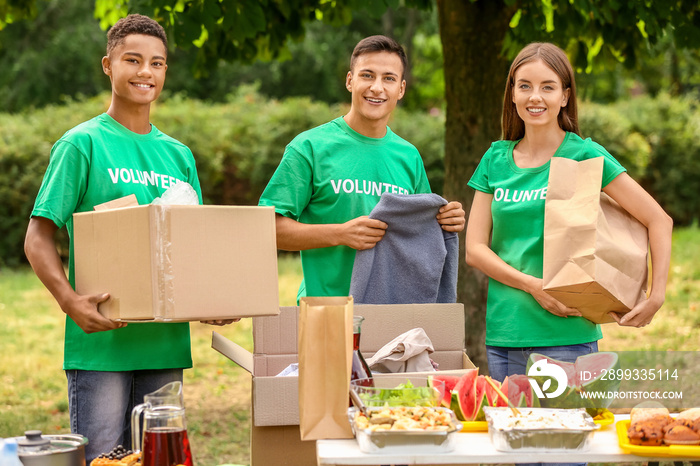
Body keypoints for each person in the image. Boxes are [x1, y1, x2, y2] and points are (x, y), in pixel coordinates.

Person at [23, 14, 231, 463]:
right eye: (132, 60)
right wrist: (69, 300)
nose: (145, 72)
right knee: (103, 459)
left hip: (165, 344)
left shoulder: (178, 154)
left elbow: (191, 244)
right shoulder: (82, 144)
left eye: (156, 63)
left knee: (161, 459)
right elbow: (37, 237)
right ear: (107, 65)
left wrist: (212, 299)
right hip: (101, 343)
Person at [465, 39, 673, 448]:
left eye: (547, 86)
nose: (535, 96)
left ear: (565, 95)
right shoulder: (494, 159)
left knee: (562, 454)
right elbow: (475, 249)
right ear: (512, 93)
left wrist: (657, 293)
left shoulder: (583, 154)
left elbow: (658, 219)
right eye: (524, 86)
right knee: (516, 454)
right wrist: (532, 285)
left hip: (567, 329)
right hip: (505, 331)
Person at [258, 35, 465, 300]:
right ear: (350, 81)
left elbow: (419, 236)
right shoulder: (310, 147)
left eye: (388, 78)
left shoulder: (409, 156)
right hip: (325, 312)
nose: (377, 88)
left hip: (391, 318)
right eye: (367, 75)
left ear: (401, 89)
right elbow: (267, 229)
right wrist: (341, 233)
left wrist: (446, 220)